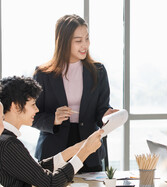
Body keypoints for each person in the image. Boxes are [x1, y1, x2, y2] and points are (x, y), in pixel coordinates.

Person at [0, 76, 102, 187]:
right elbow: (51, 183)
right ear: (15, 106)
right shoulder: (9, 144)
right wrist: (84, 152)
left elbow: (35, 171)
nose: (37, 109)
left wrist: (74, 150)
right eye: (33, 104)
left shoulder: (1, 139)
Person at [33, 14, 116, 174]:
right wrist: (53, 119)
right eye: (78, 41)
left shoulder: (98, 71)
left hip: (89, 149)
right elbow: (32, 116)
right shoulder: (43, 74)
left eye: (87, 38)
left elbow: (101, 110)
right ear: (63, 42)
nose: (85, 45)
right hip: (54, 151)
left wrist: (108, 116)